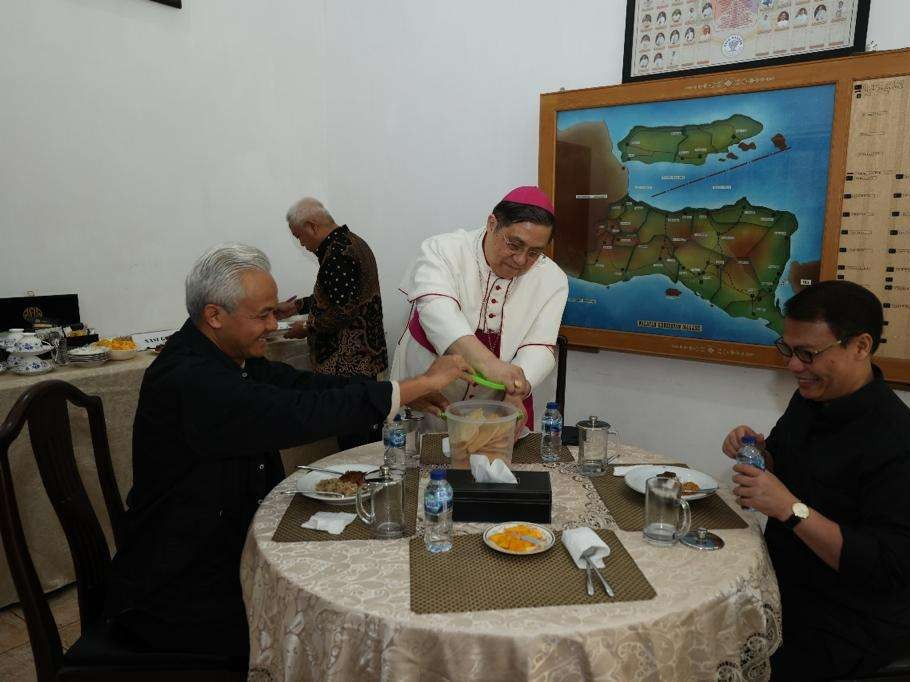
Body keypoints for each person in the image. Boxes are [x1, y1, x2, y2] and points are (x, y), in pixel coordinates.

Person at [105, 244, 471, 666]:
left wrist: (401, 392)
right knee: (322, 621)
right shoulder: (189, 378)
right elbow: (297, 413)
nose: (273, 324)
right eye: (262, 315)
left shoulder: (227, 355)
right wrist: (408, 389)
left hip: (225, 545)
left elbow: (304, 387)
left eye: (274, 312)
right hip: (183, 585)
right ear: (214, 315)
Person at [722, 280, 910, 680]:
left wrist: (789, 509)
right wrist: (759, 454)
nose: (793, 366)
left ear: (860, 347)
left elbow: (883, 569)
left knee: (713, 652)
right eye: (788, 350)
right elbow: (790, 468)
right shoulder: (815, 399)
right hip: (788, 580)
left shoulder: (903, 448)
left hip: (850, 620)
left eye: (807, 354)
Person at [391, 186, 568, 432]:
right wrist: (492, 367)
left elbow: (539, 345)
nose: (520, 260)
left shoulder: (552, 278)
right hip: (430, 384)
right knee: (420, 456)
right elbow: (438, 312)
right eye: (514, 244)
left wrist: (516, 386)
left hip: (494, 396)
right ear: (492, 223)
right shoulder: (444, 249)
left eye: (534, 253)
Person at [276, 197, 389, 449]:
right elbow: (337, 298)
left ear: (311, 226)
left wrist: (305, 327)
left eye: (299, 236)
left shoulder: (336, 254)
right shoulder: (351, 242)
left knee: (355, 445)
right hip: (364, 361)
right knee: (367, 438)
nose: (302, 244)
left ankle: (356, 486)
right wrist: (295, 307)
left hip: (348, 366)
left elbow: (342, 312)